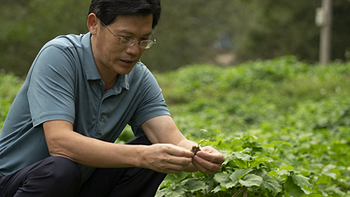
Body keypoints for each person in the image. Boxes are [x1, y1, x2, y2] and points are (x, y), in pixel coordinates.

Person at [0, 0, 225, 196]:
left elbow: (172, 139)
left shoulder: (139, 79)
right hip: (16, 183)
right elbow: (60, 144)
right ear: (93, 24)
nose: (133, 50)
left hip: (76, 185)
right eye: (125, 38)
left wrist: (199, 154)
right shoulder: (59, 56)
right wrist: (142, 156)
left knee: (155, 145)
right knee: (61, 170)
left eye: (143, 40)